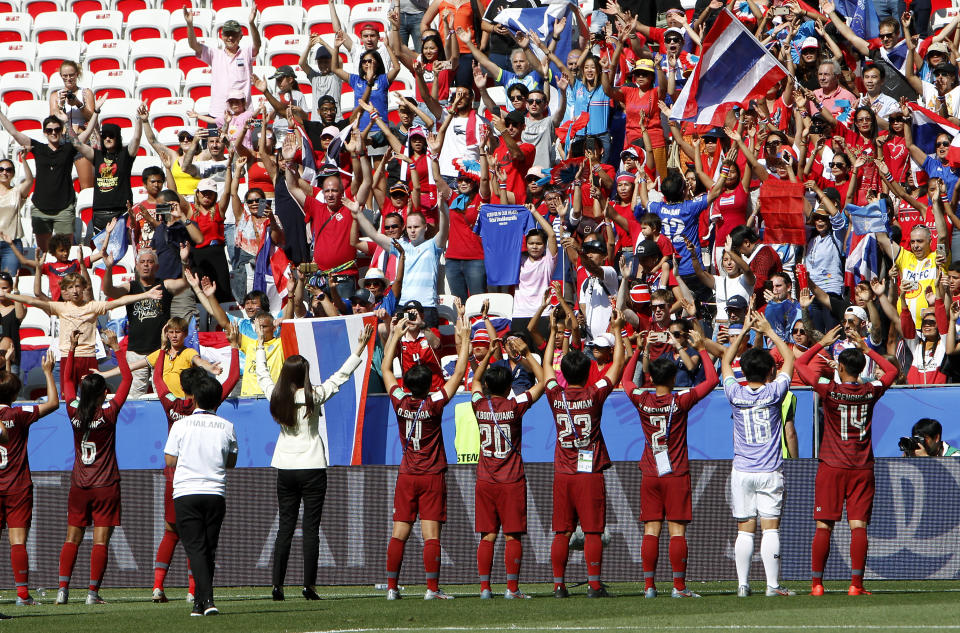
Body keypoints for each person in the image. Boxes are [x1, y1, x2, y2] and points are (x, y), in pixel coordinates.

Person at [257, 324, 372, 601]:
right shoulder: (314, 395)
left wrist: (260, 345)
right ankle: (308, 586)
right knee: (310, 528)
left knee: (285, 527)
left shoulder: (277, 396)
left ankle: (277, 586)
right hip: (312, 467)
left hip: (285, 467)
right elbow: (341, 377)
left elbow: (262, 374)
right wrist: (359, 348)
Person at [796, 324, 898, 596]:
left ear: (840, 368)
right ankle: (856, 584)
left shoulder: (829, 390)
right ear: (861, 369)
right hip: (862, 467)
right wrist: (867, 348)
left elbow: (800, 364)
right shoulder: (871, 390)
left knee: (824, 525)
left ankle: (817, 584)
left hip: (831, 466)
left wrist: (821, 343)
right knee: (858, 525)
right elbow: (892, 372)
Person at [381, 313, 470, 600]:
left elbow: (385, 369)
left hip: (407, 474)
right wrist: (465, 339)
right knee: (431, 535)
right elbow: (458, 374)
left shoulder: (400, 400)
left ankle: (392, 588)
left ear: (407, 382)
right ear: (430, 382)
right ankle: (432, 589)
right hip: (431, 474)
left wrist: (395, 334)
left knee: (399, 533)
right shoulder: (433, 403)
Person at [623, 327, 717, 599]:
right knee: (677, 531)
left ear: (651, 377)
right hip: (676, 472)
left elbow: (627, 381)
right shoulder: (681, 400)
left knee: (651, 529)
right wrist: (701, 349)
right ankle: (678, 587)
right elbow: (710, 381)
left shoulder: (642, 398)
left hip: (650, 472)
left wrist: (638, 351)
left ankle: (649, 587)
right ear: (675, 377)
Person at [151, 325, 240, 604]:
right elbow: (233, 376)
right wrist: (234, 347)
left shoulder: (172, 406)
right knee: (200, 539)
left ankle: (157, 587)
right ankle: (193, 591)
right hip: (207, 481)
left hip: (175, 479)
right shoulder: (212, 408)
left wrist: (164, 351)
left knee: (171, 531)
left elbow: (158, 381)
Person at [543, 311, 626, 598]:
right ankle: (593, 584)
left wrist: (554, 332)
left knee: (562, 531)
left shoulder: (555, 395)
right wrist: (616, 331)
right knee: (592, 531)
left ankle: (558, 585)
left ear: (563, 373)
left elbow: (545, 370)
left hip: (563, 472)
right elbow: (617, 366)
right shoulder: (594, 394)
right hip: (589, 472)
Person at [721, 311, 796, 598]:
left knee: (744, 529)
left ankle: (742, 585)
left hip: (742, 472)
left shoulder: (735, 394)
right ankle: (772, 586)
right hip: (769, 471)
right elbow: (789, 359)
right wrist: (768, 330)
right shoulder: (775, 392)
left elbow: (727, 361)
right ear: (770, 372)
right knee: (771, 529)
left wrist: (743, 333)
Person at [470, 330, 547, 600]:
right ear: (508, 386)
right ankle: (512, 589)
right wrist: (525, 354)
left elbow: (475, 380)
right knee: (512, 536)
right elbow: (544, 380)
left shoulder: (479, 405)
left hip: (485, 479)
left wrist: (490, 353)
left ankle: (484, 589)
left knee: (487, 536)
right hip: (511, 479)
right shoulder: (515, 405)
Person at [56, 330, 131, 605]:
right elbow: (129, 380)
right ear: (103, 394)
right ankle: (91, 594)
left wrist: (72, 350)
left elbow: (65, 380)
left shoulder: (73, 411)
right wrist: (115, 349)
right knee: (100, 541)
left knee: (71, 538)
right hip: (106, 485)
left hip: (79, 484)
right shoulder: (109, 413)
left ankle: (62, 591)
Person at [164, 375, 238, 616]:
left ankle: (206, 600)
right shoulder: (227, 426)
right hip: (215, 491)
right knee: (209, 548)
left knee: (195, 548)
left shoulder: (181, 425)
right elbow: (232, 462)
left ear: (193, 399)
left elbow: (170, 459)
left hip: (186, 491)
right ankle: (200, 602)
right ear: (218, 401)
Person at [0, 350, 58, 606]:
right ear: (15, 395)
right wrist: (47, 373)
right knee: (18, 541)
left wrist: (8, 364)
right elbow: (54, 403)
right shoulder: (19, 414)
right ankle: (22, 594)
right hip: (18, 486)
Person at [184, 7, 261, 120]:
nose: (230, 37)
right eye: (227, 34)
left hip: (243, 114)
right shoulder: (215, 54)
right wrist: (189, 25)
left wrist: (251, 23)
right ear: (222, 36)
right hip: (218, 113)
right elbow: (193, 45)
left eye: (234, 34)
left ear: (240, 36)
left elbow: (257, 44)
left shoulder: (246, 53)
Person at [0, 153, 32, 276]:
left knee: (9, 279)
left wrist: (23, 159)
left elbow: (29, 180)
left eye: (8, 170)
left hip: (11, 244)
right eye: (1, 169)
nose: (4, 172)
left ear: (13, 173)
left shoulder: (16, 192)